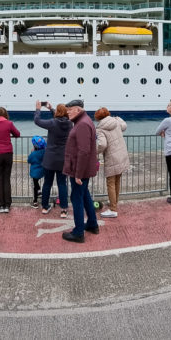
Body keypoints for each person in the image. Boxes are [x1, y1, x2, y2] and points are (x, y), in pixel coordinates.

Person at [62, 99, 99, 243]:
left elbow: (83, 151)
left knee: (76, 198)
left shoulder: (82, 124)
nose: (67, 113)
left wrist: (78, 174)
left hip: (79, 170)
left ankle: (78, 233)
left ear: (77, 109)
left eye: (69, 110)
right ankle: (92, 224)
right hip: (81, 168)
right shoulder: (84, 121)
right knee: (84, 196)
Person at [34, 100, 73, 218]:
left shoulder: (52, 123)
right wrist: (51, 109)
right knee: (62, 184)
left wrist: (38, 109)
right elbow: (60, 118)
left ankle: (45, 207)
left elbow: (37, 121)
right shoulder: (70, 124)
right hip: (62, 159)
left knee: (47, 183)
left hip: (50, 159)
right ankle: (64, 209)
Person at [95, 107, 129, 218]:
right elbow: (124, 126)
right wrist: (119, 118)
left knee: (110, 183)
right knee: (117, 181)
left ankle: (113, 209)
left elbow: (102, 144)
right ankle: (114, 202)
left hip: (111, 157)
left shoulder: (100, 128)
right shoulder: (116, 122)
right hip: (122, 155)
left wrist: (94, 152)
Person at [0, 107, 20, 213]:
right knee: (6, 178)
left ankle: (0, 205)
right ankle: (7, 205)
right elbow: (17, 134)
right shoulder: (9, 123)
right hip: (7, 153)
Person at [27, 136, 46, 208]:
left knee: (34, 185)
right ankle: (40, 191)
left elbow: (29, 160)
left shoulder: (33, 154)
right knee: (40, 183)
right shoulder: (44, 152)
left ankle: (35, 201)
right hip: (42, 171)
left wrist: (32, 152)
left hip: (34, 172)